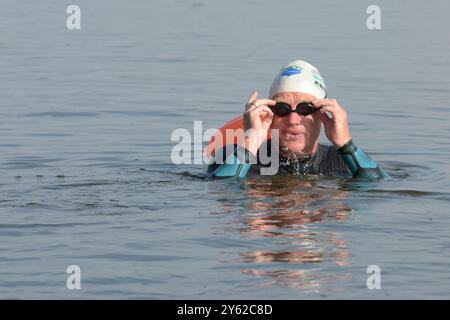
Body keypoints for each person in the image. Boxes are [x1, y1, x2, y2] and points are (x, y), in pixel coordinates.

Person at [206, 60, 390, 180]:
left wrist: (345, 143)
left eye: (305, 109)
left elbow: (378, 187)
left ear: (322, 113)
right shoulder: (231, 156)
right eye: (282, 109)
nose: (293, 120)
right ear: (270, 113)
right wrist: (252, 138)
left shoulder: (343, 161)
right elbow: (223, 189)